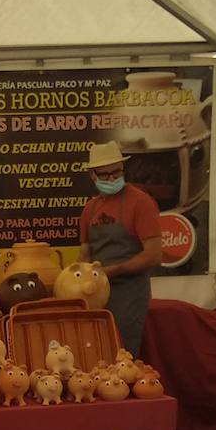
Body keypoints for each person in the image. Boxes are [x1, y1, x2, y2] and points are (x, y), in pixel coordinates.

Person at [79, 140, 163, 355]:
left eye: (117, 173)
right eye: (105, 175)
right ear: (92, 175)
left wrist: (112, 271)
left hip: (129, 295)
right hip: (96, 296)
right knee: (94, 353)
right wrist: (77, 280)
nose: (112, 179)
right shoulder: (90, 208)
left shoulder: (141, 203)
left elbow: (153, 255)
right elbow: (85, 254)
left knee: (123, 356)